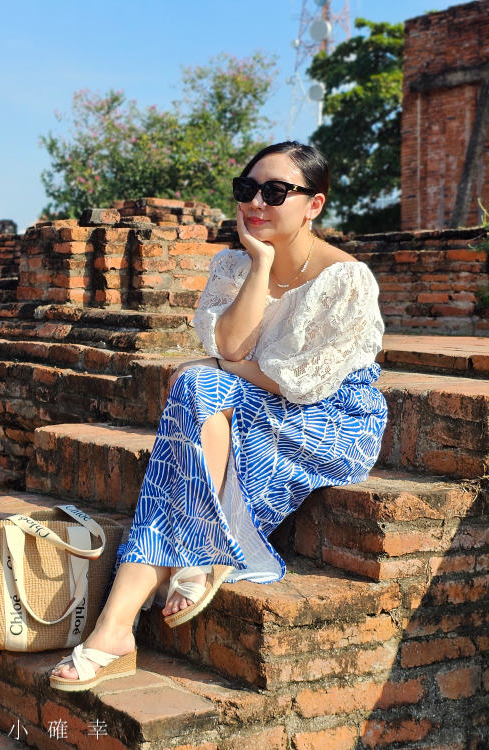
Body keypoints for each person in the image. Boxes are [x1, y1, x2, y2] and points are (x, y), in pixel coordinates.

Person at [50, 141, 387, 692]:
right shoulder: (236, 262)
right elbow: (232, 346)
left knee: (197, 381)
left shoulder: (347, 279)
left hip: (331, 419)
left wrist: (220, 365)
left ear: (314, 204)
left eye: (275, 191)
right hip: (256, 398)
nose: (256, 201)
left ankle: (124, 619)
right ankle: (134, 610)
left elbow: (298, 382)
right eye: (246, 189)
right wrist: (260, 265)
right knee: (197, 386)